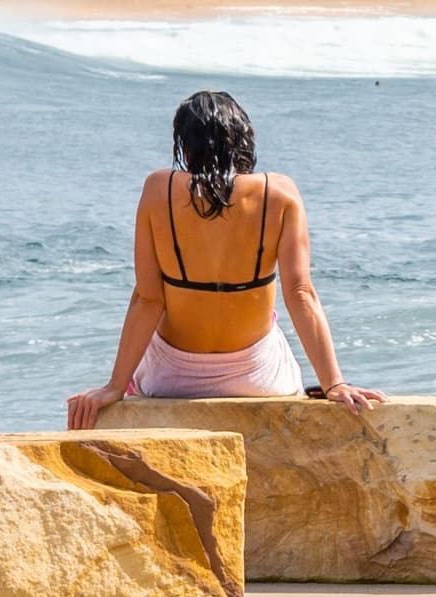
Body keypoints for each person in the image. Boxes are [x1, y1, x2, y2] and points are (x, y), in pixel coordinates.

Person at [67, 89, 382, 424]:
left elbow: (148, 299)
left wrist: (114, 386)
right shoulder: (279, 193)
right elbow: (300, 294)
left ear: (185, 146)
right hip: (260, 378)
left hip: (170, 379)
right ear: (244, 140)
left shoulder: (158, 189)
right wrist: (335, 383)